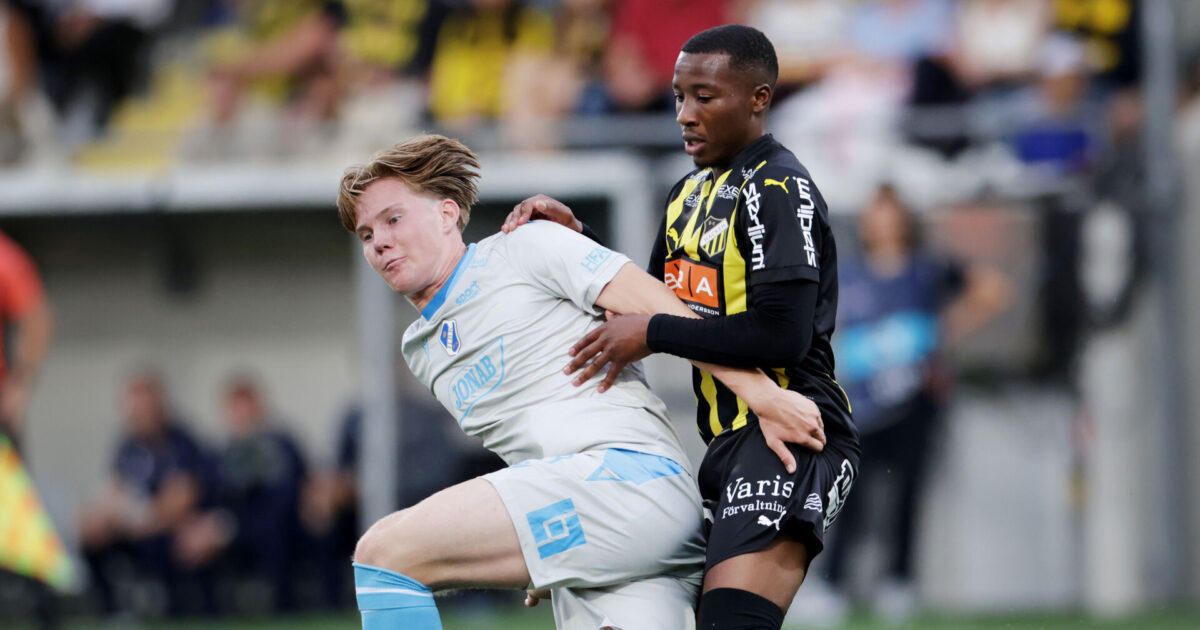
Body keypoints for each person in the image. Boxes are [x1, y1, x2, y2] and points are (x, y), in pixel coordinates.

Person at [339, 133, 825, 629]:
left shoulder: (523, 247)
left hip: (632, 483)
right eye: (365, 234)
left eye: (393, 219)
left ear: (446, 215)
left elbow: (662, 307)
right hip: (592, 524)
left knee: (383, 556)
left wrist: (763, 395)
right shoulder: (420, 348)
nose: (379, 241)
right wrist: (531, 546)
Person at [502, 24, 859, 629]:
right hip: (723, 445)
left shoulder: (777, 185)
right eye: (677, 97)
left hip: (788, 428)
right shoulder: (686, 194)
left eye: (705, 97)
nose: (684, 115)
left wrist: (654, 336)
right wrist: (570, 239)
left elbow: (781, 335)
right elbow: (638, 308)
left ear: (759, 98)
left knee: (728, 621)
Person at [821, 184, 1009, 622]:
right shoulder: (848, 274)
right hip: (861, 403)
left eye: (890, 212)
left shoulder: (927, 271)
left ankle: (898, 581)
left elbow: (993, 291)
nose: (882, 222)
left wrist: (940, 330)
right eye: (875, 213)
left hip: (915, 401)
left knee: (907, 492)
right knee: (850, 494)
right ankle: (832, 583)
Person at [78, 371, 209, 617]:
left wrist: (140, 518)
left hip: (168, 531)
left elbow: (182, 499)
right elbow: (114, 489)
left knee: (175, 542)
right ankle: (111, 613)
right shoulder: (127, 445)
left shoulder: (182, 442)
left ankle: (178, 613)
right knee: (90, 536)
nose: (138, 413)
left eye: (145, 406)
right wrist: (102, 517)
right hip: (134, 527)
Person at [174, 376, 308, 613]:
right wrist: (204, 527)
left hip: (272, 533)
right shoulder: (216, 453)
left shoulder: (280, 448)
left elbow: (284, 502)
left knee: (276, 540)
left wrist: (228, 529)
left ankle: (285, 610)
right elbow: (207, 497)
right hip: (225, 534)